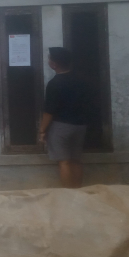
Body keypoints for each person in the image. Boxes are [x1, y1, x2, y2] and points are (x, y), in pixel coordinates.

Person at [38, 47, 88, 188]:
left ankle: (68, 192)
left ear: (54, 64)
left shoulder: (54, 84)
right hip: (80, 126)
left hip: (61, 127)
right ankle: (78, 190)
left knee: (64, 162)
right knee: (76, 160)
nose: (48, 60)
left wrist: (42, 130)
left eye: (49, 58)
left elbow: (49, 111)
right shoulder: (81, 81)